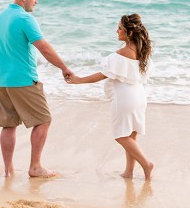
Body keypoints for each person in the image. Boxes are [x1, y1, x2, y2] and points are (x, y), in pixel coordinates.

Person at [0, 0, 72, 178]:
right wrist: (64, 68)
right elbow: (44, 48)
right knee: (44, 120)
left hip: (1, 79)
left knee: (8, 125)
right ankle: (35, 167)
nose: (37, 1)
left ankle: (8, 170)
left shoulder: (2, 15)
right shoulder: (25, 18)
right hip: (23, 79)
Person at [66, 14, 154, 180]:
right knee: (131, 136)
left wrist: (78, 80)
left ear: (128, 32)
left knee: (121, 136)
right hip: (140, 96)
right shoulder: (143, 52)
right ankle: (128, 172)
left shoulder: (121, 54)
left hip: (125, 99)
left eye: (120, 28)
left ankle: (146, 164)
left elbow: (102, 75)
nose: (117, 30)